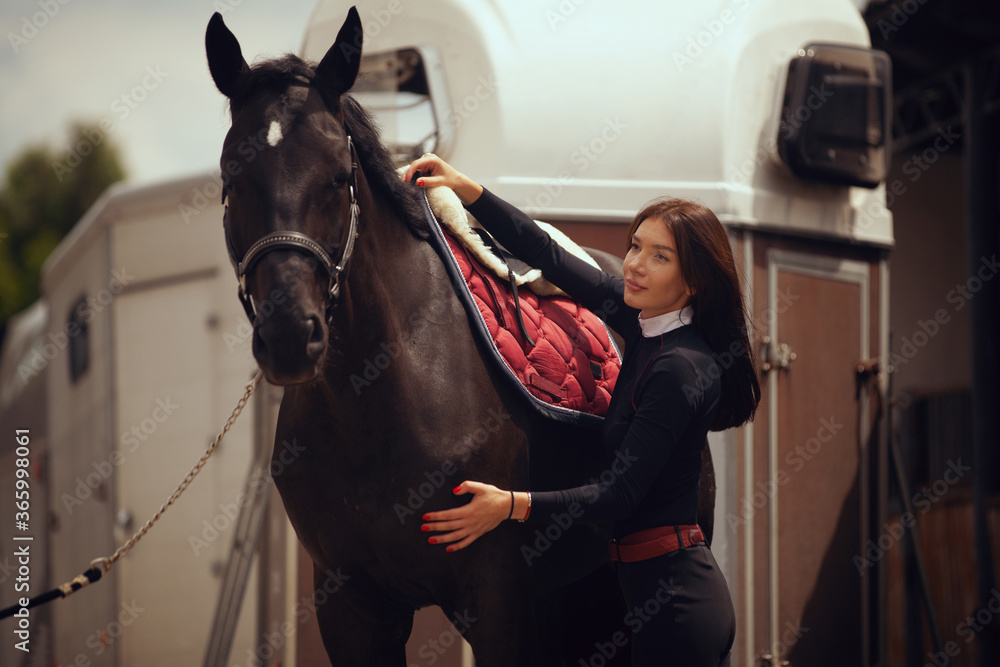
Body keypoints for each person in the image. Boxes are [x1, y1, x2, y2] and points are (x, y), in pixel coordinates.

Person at [402, 154, 761, 666]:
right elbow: (545, 252)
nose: (635, 263)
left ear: (694, 280)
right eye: (636, 245)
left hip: (679, 610)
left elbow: (621, 495)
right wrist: (465, 189)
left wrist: (507, 505)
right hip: (648, 593)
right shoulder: (644, 324)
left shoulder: (680, 367)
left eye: (660, 257)